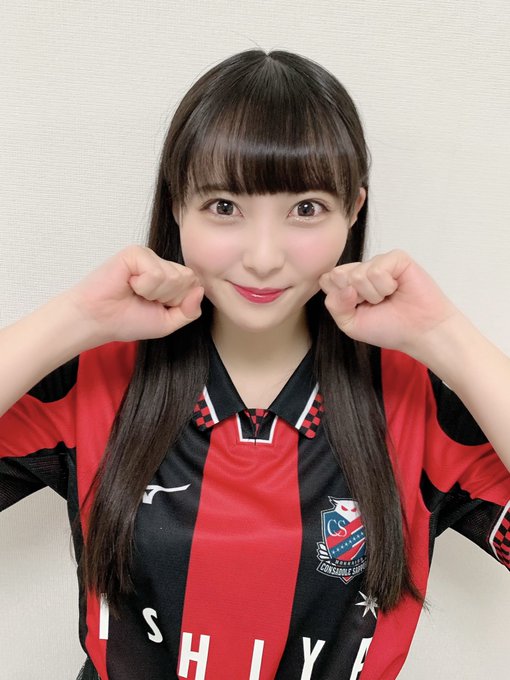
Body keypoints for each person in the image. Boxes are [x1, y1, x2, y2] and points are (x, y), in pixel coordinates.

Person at [0, 48, 508, 680]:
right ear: (177, 206)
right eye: (223, 206)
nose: (263, 257)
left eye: (305, 209)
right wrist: (74, 318)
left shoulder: (413, 399)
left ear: (353, 210)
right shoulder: (95, 379)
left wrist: (446, 337)